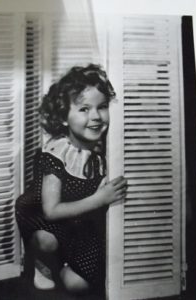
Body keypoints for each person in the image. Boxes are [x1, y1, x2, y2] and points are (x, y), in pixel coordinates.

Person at [15, 64, 127, 295]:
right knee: (46, 241)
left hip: (83, 224)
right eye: (84, 109)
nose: (96, 116)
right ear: (64, 118)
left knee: (77, 285)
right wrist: (99, 199)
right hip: (50, 220)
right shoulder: (58, 152)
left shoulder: (109, 148)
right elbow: (51, 211)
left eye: (102, 107)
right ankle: (43, 262)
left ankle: (64, 266)